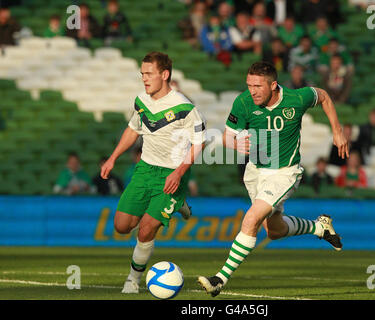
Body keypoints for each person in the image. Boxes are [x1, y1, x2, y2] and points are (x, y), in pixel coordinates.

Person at [197, 61, 348, 297]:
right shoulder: (243, 102)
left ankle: (219, 279)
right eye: (249, 85)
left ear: (273, 85)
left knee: (251, 219)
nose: (252, 91)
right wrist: (235, 143)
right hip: (256, 171)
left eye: (257, 85)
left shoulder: (296, 99)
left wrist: (337, 131)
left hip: (284, 172)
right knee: (274, 230)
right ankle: (320, 227)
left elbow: (325, 96)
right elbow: (227, 138)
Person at [100, 52, 206, 293]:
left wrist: (179, 173)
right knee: (122, 225)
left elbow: (199, 143)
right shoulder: (141, 101)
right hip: (145, 170)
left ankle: (132, 280)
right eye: (142, 74)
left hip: (171, 175)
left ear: (164, 74)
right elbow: (132, 129)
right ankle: (180, 204)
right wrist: (113, 158)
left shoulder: (185, 107)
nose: (144, 79)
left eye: (149, 74)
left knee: (146, 229)